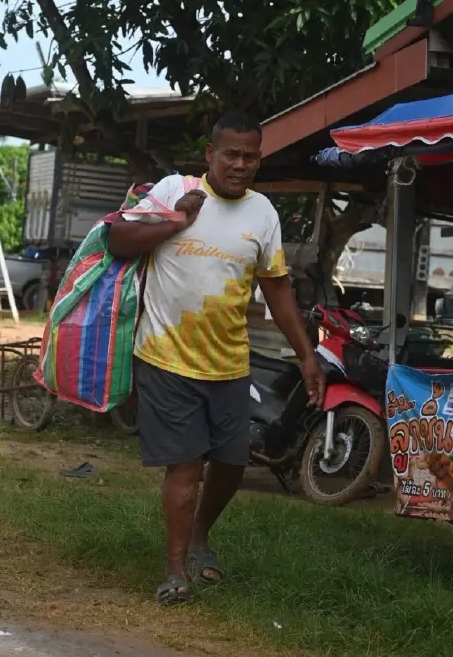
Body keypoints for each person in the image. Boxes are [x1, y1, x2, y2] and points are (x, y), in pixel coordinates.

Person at [107, 110, 325, 606]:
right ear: (211, 155)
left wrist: (306, 356)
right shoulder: (171, 190)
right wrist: (178, 220)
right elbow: (118, 240)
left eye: (251, 156)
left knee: (230, 462)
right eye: (231, 154)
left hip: (228, 363)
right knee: (186, 469)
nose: (241, 164)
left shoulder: (263, 214)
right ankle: (175, 569)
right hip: (165, 358)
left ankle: (201, 537)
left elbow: (277, 290)